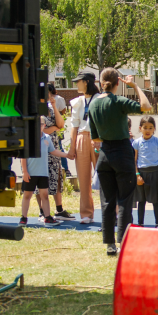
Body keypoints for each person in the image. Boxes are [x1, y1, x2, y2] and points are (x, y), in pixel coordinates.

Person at [87, 68, 142, 256]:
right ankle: (125, 241)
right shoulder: (118, 101)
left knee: (107, 201)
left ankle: (110, 244)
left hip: (104, 155)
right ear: (118, 82)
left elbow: (95, 137)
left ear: (101, 83)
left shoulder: (93, 103)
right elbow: (146, 106)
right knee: (125, 200)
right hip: (122, 153)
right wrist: (135, 86)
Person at [20, 126, 70, 227]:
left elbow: (53, 151)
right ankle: (23, 218)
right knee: (27, 195)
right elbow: (23, 156)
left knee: (45, 196)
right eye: (38, 123)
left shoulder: (47, 137)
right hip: (31, 173)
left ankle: (47, 217)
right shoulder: (28, 138)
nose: (40, 125)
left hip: (43, 173)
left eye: (42, 123)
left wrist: (67, 155)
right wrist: (25, 171)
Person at [67, 69, 99, 224]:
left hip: (98, 138)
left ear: (86, 82)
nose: (76, 84)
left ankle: (113, 212)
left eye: (78, 81)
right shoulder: (77, 102)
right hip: (81, 138)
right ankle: (86, 214)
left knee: (104, 176)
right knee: (83, 178)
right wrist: (72, 147)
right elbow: (74, 126)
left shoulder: (100, 98)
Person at [132, 116, 158, 228]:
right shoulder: (136, 142)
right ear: (140, 128)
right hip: (141, 173)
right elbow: (134, 160)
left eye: (150, 128)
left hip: (155, 172)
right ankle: (140, 223)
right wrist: (137, 175)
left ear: (154, 129)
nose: (147, 130)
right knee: (141, 201)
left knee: (156, 201)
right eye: (145, 127)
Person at [42, 101, 73, 219]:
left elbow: (61, 124)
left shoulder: (51, 109)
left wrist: (55, 107)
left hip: (54, 149)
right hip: (41, 152)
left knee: (57, 179)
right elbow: (41, 130)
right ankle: (42, 211)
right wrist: (54, 128)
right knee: (41, 181)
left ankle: (59, 210)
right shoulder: (35, 109)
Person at [48, 84, 71, 179]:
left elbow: (64, 113)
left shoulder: (59, 98)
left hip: (57, 126)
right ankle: (64, 169)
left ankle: (65, 169)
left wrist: (60, 123)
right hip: (48, 126)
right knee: (57, 148)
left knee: (59, 147)